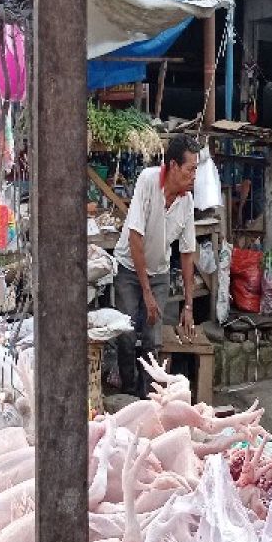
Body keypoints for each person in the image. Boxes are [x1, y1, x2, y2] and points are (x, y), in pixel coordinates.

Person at [113, 133, 201, 396]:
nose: (194, 175)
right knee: (127, 334)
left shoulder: (187, 202)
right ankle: (128, 396)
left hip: (160, 272)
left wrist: (188, 305)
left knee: (153, 341)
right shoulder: (148, 181)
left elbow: (187, 253)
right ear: (173, 166)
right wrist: (146, 293)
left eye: (196, 169)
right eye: (190, 169)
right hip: (129, 267)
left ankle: (149, 400)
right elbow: (134, 237)